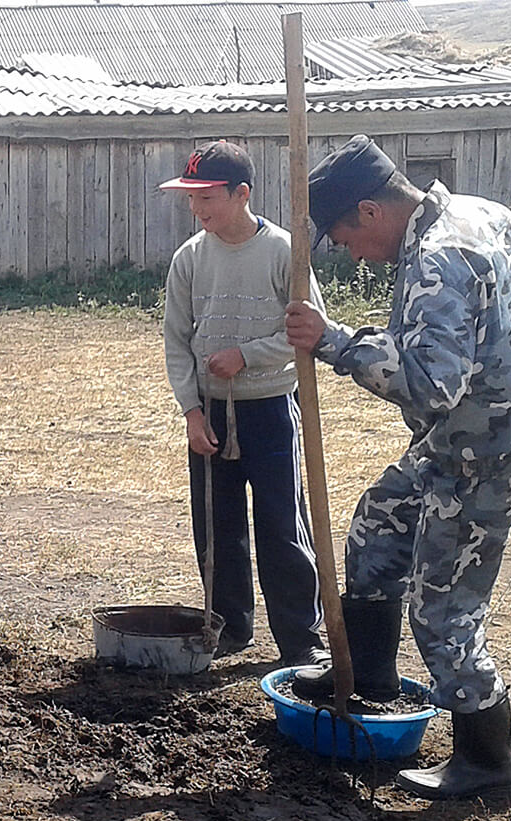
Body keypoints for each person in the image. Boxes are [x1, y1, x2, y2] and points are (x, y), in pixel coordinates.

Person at [283, 135, 511, 800]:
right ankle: (370, 672)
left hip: (487, 456)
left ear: (370, 212)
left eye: (345, 238)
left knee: (443, 606)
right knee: (380, 520)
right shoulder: (483, 213)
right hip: (467, 437)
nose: (351, 253)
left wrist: (335, 342)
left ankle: (486, 759)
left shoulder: (438, 257)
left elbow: (431, 384)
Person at [158, 140, 325, 665]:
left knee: (281, 524)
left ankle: (301, 640)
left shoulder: (282, 251)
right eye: (192, 199)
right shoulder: (189, 259)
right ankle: (230, 626)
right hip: (210, 412)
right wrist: (190, 412)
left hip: (271, 407)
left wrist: (247, 355)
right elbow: (176, 340)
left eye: (208, 197)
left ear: (242, 193)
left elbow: (308, 331)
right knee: (216, 525)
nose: (198, 209)